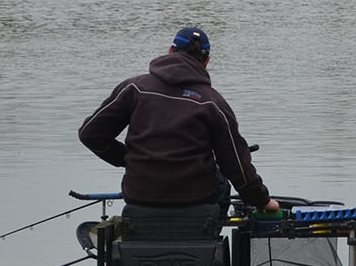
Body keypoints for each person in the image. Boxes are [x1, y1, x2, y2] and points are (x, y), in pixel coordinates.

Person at [78, 26, 278, 240]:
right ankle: (206, 242)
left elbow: (90, 134)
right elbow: (236, 165)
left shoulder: (134, 88)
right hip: (196, 198)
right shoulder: (213, 102)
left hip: (140, 194)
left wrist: (128, 159)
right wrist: (263, 201)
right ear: (206, 61)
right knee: (221, 178)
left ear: (170, 51)